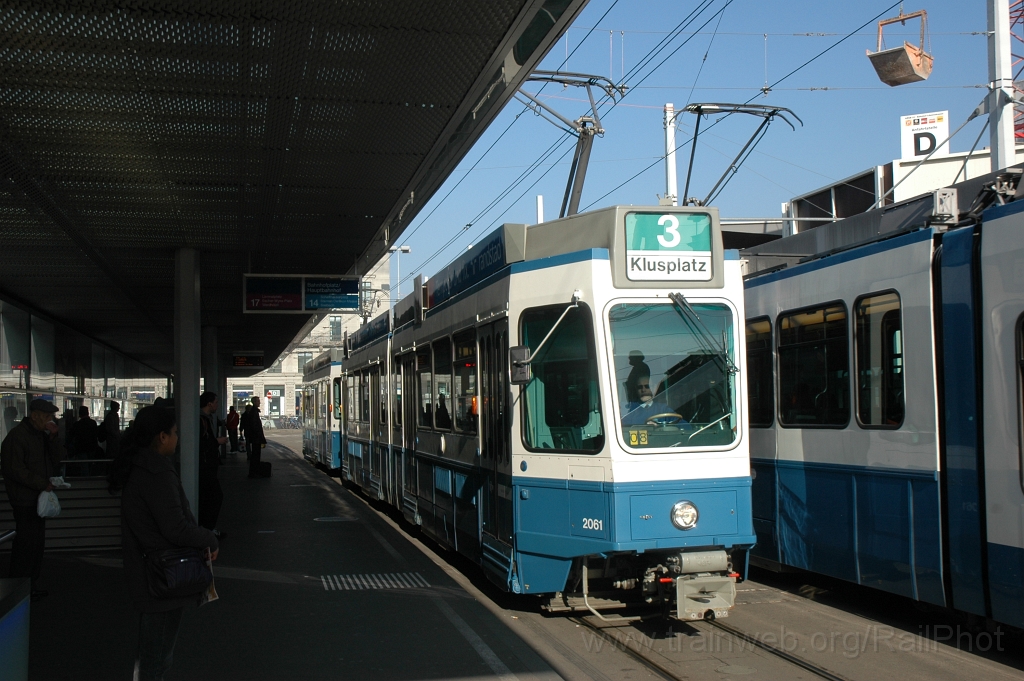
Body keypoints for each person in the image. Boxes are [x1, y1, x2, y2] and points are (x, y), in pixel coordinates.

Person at [108, 405, 218, 681]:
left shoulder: (140, 466)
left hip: (149, 572)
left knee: (151, 655)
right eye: (175, 433)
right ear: (162, 437)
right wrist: (209, 538)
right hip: (161, 578)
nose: (178, 438)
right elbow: (176, 528)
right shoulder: (156, 473)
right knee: (156, 659)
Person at [0, 398, 63, 602]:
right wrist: (41, 483)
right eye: (47, 417)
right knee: (26, 546)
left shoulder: (38, 436)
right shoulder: (17, 437)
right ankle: (19, 588)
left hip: (35, 497)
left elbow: (56, 459)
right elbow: (15, 470)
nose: (50, 421)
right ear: (34, 416)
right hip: (24, 499)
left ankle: (28, 585)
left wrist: (53, 438)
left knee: (35, 545)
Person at [198, 392, 228, 537]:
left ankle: (207, 528)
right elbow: (202, 443)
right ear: (209, 404)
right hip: (205, 465)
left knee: (209, 498)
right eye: (216, 402)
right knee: (214, 497)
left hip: (208, 464)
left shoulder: (206, 419)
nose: (217, 405)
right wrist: (217, 441)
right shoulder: (201, 420)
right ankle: (207, 530)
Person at [243, 397, 267, 478]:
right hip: (256, 438)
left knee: (255, 455)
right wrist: (260, 436)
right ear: (254, 402)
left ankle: (254, 472)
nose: (259, 402)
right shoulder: (254, 412)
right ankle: (254, 473)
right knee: (256, 455)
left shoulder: (253, 411)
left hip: (255, 437)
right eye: (258, 401)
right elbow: (255, 426)